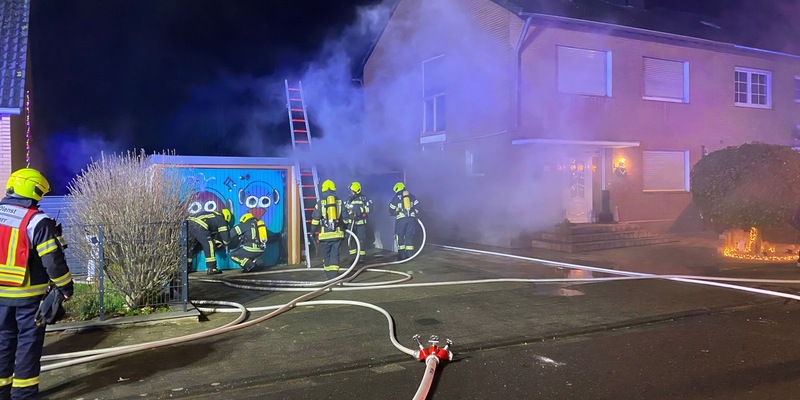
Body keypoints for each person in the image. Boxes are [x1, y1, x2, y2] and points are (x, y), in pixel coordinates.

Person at [0, 168, 74, 400]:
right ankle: (24, 394)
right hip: (28, 298)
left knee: (2, 342)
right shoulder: (37, 221)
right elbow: (53, 261)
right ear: (33, 191)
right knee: (28, 346)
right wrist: (66, 287)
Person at [311, 180, 345, 280]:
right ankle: (333, 275)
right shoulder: (339, 202)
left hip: (324, 235)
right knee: (335, 254)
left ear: (323, 190)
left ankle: (328, 274)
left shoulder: (320, 203)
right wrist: (345, 229)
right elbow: (346, 218)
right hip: (337, 234)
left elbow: (315, 220)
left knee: (326, 255)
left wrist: (312, 232)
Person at [187, 209, 232, 275]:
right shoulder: (220, 217)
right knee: (209, 244)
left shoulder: (211, 215)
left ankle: (188, 266)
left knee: (192, 246)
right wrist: (226, 243)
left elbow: (211, 233)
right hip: (198, 224)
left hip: (188, 223)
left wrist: (216, 241)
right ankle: (212, 268)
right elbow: (224, 234)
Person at [388, 182, 420, 261]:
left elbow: (391, 210)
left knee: (400, 236)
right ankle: (410, 256)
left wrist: (394, 213)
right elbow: (418, 206)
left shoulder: (396, 198)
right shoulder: (412, 196)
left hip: (401, 220)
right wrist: (413, 213)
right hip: (411, 220)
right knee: (409, 237)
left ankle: (402, 256)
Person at [343, 182, 372, 263]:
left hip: (361, 223)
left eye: (351, 191)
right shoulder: (349, 199)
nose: (350, 192)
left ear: (356, 191)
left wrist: (360, 211)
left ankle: (362, 257)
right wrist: (348, 217)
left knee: (361, 240)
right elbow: (345, 210)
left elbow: (370, 208)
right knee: (350, 239)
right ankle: (353, 257)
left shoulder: (364, 199)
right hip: (351, 223)